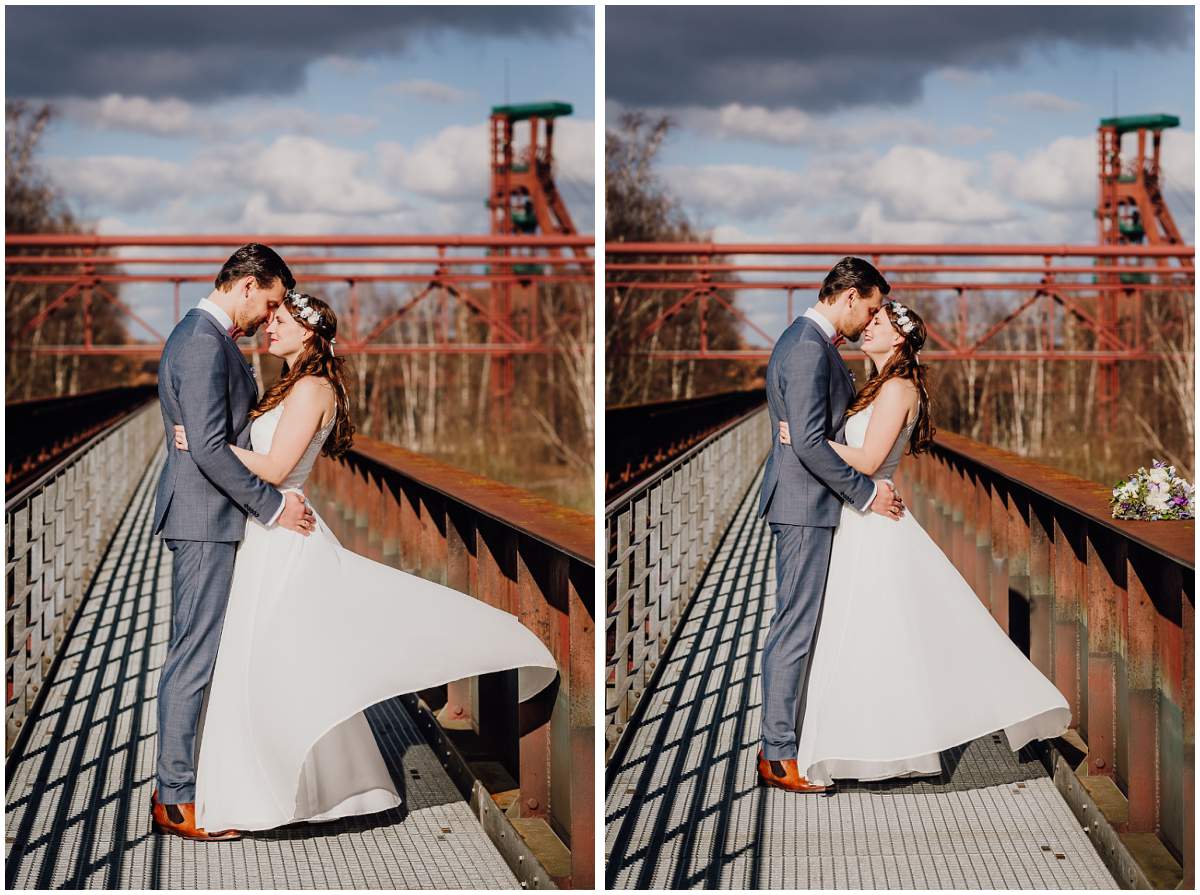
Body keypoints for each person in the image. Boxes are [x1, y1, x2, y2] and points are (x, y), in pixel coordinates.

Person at [166, 290, 558, 838]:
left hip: (281, 537)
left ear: (308, 332)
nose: (268, 327)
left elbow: (277, 468)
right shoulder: (294, 383)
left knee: (270, 665)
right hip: (268, 532)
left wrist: (206, 446)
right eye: (270, 317)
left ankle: (268, 792)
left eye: (280, 320)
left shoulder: (310, 388)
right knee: (267, 666)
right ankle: (265, 786)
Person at [778, 300, 1070, 786]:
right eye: (869, 318)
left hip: (872, 521)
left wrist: (808, 441)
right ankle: (855, 740)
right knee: (861, 635)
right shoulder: (876, 386)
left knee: (871, 635)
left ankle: (874, 745)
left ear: (898, 338)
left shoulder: (895, 388)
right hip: (861, 515)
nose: (867, 327)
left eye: (879, 322)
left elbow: (870, 460)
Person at [151, 244, 316, 841]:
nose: (266, 316)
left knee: (197, 654)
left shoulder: (211, 339)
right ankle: (174, 799)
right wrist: (273, 507)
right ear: (246, 285)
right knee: (192, 659)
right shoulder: (201, 340)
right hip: (203, 518)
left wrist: (198, 440)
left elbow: (208, 437)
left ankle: (185, 786)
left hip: (212, 515)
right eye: (268, 301)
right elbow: (211, 447)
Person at [756, 256, 906, 794]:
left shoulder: (812, 343)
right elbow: (813, 443)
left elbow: (811, 435)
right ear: (848, 296)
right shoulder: (806, 348)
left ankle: (785, 743)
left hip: (809, 503)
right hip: (803, 506)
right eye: (868, 307)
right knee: (793, 630)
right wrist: (867, 493)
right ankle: (777, 756)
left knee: (798, 626)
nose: (868, 320)